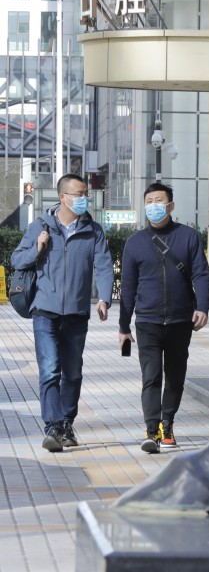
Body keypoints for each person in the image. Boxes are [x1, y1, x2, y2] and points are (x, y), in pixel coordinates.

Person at [11, 174, 114, 453]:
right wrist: (38, 247)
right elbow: (16, 260)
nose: (84, 199)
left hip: (77, 313)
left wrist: (105, 297)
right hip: (45, 310)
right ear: (63, 197)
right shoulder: (40, 226)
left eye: (85, 194)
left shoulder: (93, 230)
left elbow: (104, 265)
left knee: (73, 373)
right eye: (79, 194)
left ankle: (67, 422)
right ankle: (53, 427)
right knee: (49, 370)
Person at [118, 183, 209, 453]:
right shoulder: (134, 243)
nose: (153, 205)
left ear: (170, 205)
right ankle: (152, 431)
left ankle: (167, 422)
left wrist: (202, 307)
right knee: (151, 376)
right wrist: (124, 326)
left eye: (159, 200)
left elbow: (201, 274)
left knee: (175, 376)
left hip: (181, 320)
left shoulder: (188, 237)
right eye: (149, 200)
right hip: (147, 321)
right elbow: (127, 288)